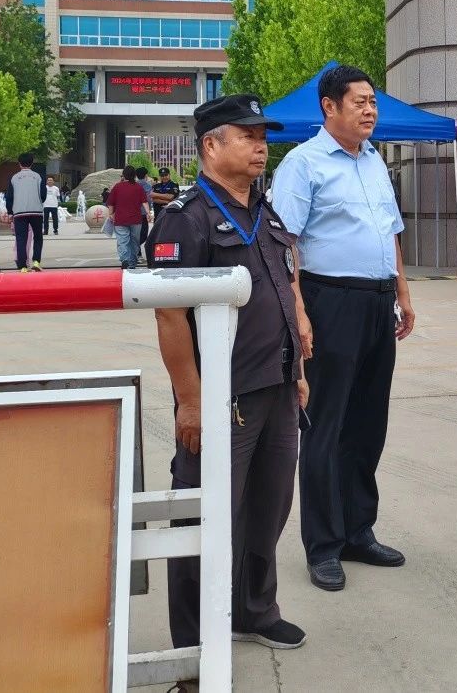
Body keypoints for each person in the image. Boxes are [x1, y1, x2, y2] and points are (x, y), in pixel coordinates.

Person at [145, 92, 312, 656]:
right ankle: (193, 645)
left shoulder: (266, 210)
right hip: (223, 397)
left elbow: (285, 283)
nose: (261, 147)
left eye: (263, 137)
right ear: (211, 146)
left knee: (268, 507)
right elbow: (169, 315)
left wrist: (298, 369)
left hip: (278, 386)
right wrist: (190, 401)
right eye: (248, 136)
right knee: (204, 515)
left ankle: (254, 610)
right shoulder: (185, 218)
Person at [271, 64, 416, 592]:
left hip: (378, 302)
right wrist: (299, 311)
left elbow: (391, 232)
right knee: (326, 426)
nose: (370, 110)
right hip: (329, 300)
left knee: (367, 424)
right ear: (329, 107)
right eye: (360, 102)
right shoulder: (303, 164)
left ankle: (358, 531)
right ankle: (324, 545)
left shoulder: (374, 161)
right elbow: (284, 244)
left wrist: (402, 293)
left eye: (373, 102)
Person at [5, 152, 46, 272]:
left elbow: (9, 197)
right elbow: (43, 195)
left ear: (19, 163)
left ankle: (22, 266)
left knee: (21, 239)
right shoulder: (38, 177)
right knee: (38, 237)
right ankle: (36, 261)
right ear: (32, 163)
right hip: (36, 212)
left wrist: (10, 212)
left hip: (19, 212)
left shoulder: (14, 178)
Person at [106, 165, 148, 269]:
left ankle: (124, 259)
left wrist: (110, 214)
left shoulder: (117, 187)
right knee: (134, 241)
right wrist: (148, 213)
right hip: (136, 219)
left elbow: (111, 203)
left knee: (122, 240)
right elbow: (144, 202)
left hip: (120, 219)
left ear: (124, 175)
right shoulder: (138, 187)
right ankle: (132, 263)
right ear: (134, 175)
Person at [135, 166, 154, 251]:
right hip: (143, 213)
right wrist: (148, 212)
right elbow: (149, 200)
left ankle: (137, 251)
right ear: (146, 175)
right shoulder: (148, 186)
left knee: (136, 233)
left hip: (134, 213)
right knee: (144, 234)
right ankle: (135, 248)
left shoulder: (134, 185)